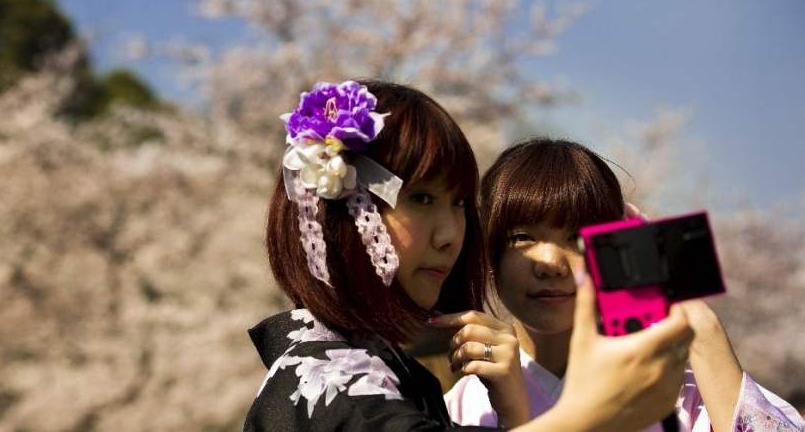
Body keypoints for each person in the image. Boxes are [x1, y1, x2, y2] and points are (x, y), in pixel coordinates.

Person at [243, 81, 695, 432]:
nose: (451, 235)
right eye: (421, 199)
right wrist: (588, 412)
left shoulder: (391, 371)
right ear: (340, 205)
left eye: (460, 204)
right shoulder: (331, 384)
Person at [444, 136, 805, 432]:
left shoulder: (681, 390)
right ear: (489, 257)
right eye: (522, 237)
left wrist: (699, 324)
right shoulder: (461, 406)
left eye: (578, 238)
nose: (551, 264)